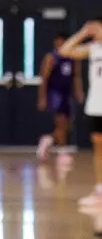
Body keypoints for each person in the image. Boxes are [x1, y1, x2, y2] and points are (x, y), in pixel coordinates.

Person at [60, 20, 102, 208]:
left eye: (96, 28)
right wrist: (83, 33)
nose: (94, 32)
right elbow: (65, 51)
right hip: (96, 105)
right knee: (99, 148)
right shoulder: (93, 48)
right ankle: (100, 191)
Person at [36, 32, 80, 161]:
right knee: (60, 122)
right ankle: (62, 152)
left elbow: (76, 77)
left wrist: (78, 92)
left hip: (67, 93)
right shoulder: (51, 58)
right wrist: (42, 98)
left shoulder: (73, 57)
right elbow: (44, 79)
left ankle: (48, 139)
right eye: (58, 42)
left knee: (68, 125)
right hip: (55, 93)